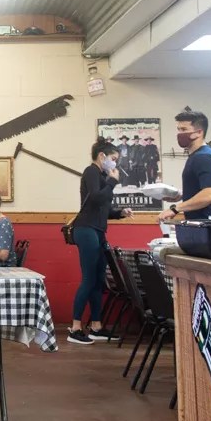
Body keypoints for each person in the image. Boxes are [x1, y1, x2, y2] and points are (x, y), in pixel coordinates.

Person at [68, 138, 134, 345]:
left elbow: (103, 209)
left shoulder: (102, 176)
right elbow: (96, 198)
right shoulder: (91, 171)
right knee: (89, 278)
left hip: (97, 230)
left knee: (98, 279)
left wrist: (120, 213)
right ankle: (75, 328)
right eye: (113, 158)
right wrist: (112, 182)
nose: (115, 163)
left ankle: (96, 326)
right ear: (102, 156)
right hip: (86, 229)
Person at [157, 108, 211, 222]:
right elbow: (204, 188)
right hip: (202, 225)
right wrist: (183, 195)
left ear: (199, 132)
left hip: (208, 226)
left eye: (184, 129)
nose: (179, 134)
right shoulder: (198, 156)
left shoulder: (204, 157)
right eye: (178, 129)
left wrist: (175, 209)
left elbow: (210, 194)